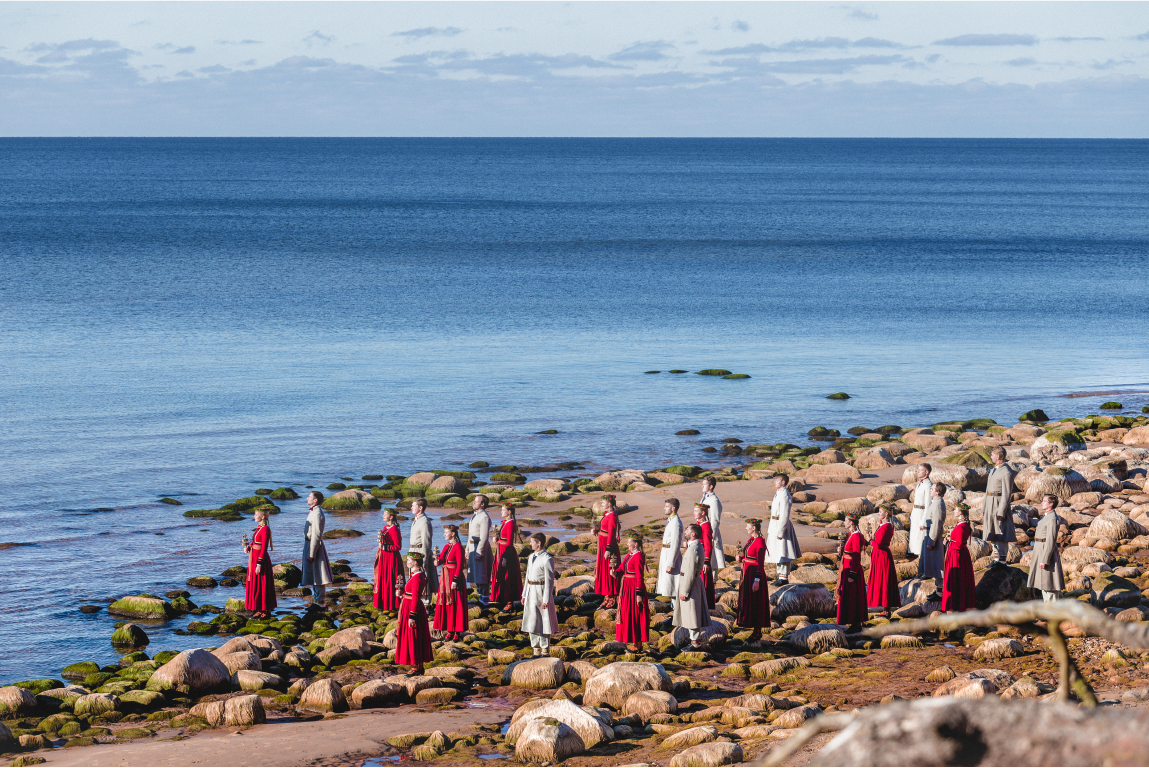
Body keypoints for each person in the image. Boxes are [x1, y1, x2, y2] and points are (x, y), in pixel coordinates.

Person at [673, 523, 712, 648]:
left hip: (691, 583)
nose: (685, 532)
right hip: (692, 581)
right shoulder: (694, 546)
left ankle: (695, 642)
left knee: (693, 612)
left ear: (693, 534)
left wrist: (684, 591)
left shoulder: (694, 549)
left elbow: (690, 572)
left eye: (687, 531)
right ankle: (693, 640)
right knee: (691, 611)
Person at [521, 532, 558, 656]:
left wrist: (546, 600)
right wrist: (524, 594)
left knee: (543, 620)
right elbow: (527, 577)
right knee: (532, 620)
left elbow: (549, 581)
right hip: (530, 590)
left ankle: (545, 649)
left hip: (541, 591)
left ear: (539, 543)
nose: (530, 544)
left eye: (532, 542)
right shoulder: (531, 557)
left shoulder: (547, 559)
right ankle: (535, 649)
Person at [395, 552, 432, 675]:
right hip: (409, 606)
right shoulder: (416, 575)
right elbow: (411, 593)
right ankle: (418, 665)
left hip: (412, 608)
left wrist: (412, 616)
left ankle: (415, 666)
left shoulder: (417, 578)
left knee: (413, 637)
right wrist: (401, 594)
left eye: (409, 560)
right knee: (415, 636)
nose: (407, 562)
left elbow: (415, 597)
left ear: (415, 563)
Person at [615, 532, 650, 653]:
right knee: (628, 613)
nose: (627, 544)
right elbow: (621, 568)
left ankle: (638, 643)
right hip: (626, 588)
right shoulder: (629, 555)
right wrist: (615, 572)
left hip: (633, 588)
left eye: (629, 542)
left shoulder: (638, 556)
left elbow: (640, 576)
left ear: (636, 544)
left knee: (636, 614)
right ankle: (632, 640)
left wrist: (639, 595)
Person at [736, 518, 770, 642]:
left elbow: (760, 563)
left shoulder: (760, 542)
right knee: (750, 600)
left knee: (756, 602)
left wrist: (757, 580)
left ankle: (757, 631)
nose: (746, 528)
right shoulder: (751, 540)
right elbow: (748, 556)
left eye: (748, 526)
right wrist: (741, 559)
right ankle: (754, 629)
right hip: (747, 573)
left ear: (754, 528)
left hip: (754, 574)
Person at [983, 447, 1017, 567]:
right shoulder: (994, 470)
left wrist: (1001, 512)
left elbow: (1007, 494)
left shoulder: (1006, 472)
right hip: (990, 504)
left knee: (1000, 532)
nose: (991, 457)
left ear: (998, 457)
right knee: (992, 531)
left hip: (998, 505)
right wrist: (984, 508)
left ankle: (1002, 561)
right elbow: (987, 490)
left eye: (992, 455)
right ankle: (996, 558)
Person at [1028, 494, 1065, 602]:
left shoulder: (1052, 518)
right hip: (1039, 549)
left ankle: (1052, 610)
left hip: (1046, 552)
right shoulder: (1046, 516)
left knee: (1049, 583)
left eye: (1044, 501)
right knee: (1044, 583)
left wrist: (1045, 559)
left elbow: (1051, 540)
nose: (1042, 503)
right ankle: (1047, 608)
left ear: (1051, 504)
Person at [434, 524, 468, 640]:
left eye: (446, 532)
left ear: (453, 534)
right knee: (446, 602)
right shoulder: (446, 546)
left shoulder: (458, 547)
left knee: (456, 603)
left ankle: (457, 631)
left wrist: (455, 580)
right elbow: (442, 559)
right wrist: (437, 562)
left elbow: (460, 566)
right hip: (445, 577)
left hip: (454, 578)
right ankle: (449, 629)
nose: (444, 534)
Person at [765, 475, 801, 586]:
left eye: (777, 480)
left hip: (781, 525)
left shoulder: (785, 495)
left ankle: (784, 578)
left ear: (783, 482)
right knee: (778, 551)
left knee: (783, 551)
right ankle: (780, 576)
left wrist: (780, 531)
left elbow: (785, 515)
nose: (774, 482)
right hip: (775, 523)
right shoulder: (779, 493)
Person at [866, 504, 901, 617]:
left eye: (880, 512)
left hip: (882, 556)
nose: (878, 513)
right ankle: (885, 608)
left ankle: (886, 609)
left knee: (884, 580)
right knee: (882, 579)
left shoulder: (886, 527)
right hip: (880, 555)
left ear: (886, 514)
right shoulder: (884, 525)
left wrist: (870, 541)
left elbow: (878, 544)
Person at [835, 513, 867, 633]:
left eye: (846, 521)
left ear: (851, 522)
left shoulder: (856, 536)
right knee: (848, 595)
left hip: (852, 570)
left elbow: (857, 556)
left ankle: (856, 623)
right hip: (847, 567)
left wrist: (852, 574)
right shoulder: (851, 534)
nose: (844, 523)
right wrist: (842, 550)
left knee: (853, 596)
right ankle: (852, 622)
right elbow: (849, 551)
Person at [301, 491, 334, 606]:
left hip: (314, 545)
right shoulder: (314, 511)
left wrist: (312, 554)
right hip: (309, 544)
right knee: (314, 573)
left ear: (315, 500)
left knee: (318, 574)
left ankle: (320, 602)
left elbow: (316, 535)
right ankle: (318, 600)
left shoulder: (317, 513)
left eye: (309, 497)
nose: (307, 498)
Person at [941, 503, 976, 612]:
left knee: (956, 580)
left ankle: (955, 605)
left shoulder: (961, 527)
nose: (954, 511)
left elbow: (958, 545)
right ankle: (960, 604)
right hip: (961, 555)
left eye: (955, 510)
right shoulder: (963, 525)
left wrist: (947, 543)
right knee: (961, 579)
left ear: (960, 512)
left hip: (956, 556)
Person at [243, 508, 276, 617]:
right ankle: (259, 608)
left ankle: (265, 610)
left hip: (260, 560)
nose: (254, 516)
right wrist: (249, 547)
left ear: (262, 517)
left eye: (256, 514)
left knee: (262, 583)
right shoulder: (259, 528)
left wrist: (259, 563)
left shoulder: (265, 529)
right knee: (256, 583)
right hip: (253, 558)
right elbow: (256, 541)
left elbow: (264, 547)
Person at [490, 502, 523, 610]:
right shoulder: (506, 522)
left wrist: (505, 557)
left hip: (506, 552)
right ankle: (503, 598)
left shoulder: (510, 524)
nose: (501, 512)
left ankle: (510, 602)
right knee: (502, 575)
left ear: (509, 512)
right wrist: (497, 539)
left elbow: (509, 542)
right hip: (502, 551)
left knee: (508, 576)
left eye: (503, 510)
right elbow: (504, 538)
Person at [919, 482, 947, 603]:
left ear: (938, 492)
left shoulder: (938, 504)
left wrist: (931, 541)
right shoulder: (935, 502)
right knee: (933, 565)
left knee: (937, 565)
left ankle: (940, 593)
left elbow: (936, 524)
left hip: (934, 538)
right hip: (930, 535)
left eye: (932, 489)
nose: (930, 490)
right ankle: (937, 591)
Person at [407, 498, 438, 605]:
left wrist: (423, 560)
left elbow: (426, 542)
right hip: (413, 551)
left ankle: (425, 604)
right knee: (414, 578)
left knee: (423, 579)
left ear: (420, 508)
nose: (411, 507)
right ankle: (416, 602)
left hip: (420, 552)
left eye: (413, 505)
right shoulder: (417, 519)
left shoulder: (424, 521)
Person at [465, 495, 494, 604]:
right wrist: (467, 549)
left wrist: (479, 551)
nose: (473, 502)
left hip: (479, 548)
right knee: (476, 574)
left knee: (482, 574)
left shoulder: (484, 517)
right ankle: (480, 597)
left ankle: (484, 600)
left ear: (482, 504)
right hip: (472, 547)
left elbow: (484, 537)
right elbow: (470, 535)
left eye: (476, 501)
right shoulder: (475, 515)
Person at [372, 508, 403, 612]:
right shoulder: (385, 527)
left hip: (391, 559)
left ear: (391, 517)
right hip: (384, 557)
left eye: (385, 514)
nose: (383, 516)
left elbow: (398, 546)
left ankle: (391, 605)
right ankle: (383, 604)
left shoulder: (394, 529)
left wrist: (385, 547)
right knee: (383, 578)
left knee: (390, 579)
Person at [594, 495, 622, 608]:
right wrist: (596, 530)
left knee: (610, 568)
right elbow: (604, 528)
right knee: (604, 569)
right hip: (602, 545)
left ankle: (612, 596)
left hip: (608, 546)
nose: (601, 504)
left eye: (603, 503)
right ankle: (607, 595)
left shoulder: (612, 516)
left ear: (609, 504)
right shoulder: (607, 514)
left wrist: (608, 549)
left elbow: (611, 532)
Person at [657, 498, 684, 598]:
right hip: (666, 552)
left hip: (670, 554)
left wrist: (670, 563)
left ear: (673, 508)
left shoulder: (676, 523)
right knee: (667, 584)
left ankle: (675, 605)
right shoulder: (671, 521)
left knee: (672, 584)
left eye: (667, 506)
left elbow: (676, 544)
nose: (664, 508)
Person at [908, 463, 933, 559]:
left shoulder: (928, 485)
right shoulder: (919, 484)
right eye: (917, 470)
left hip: (922, 514)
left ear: (926, 472)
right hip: (916, 513)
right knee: (915, 540)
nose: (917, 472)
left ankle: (922, 563)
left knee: (920, 540)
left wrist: (923, 521)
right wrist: (911, 518)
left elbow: (928, 505)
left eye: (920, 470)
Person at [701, 477, 726, 569]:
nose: (702, 486)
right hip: (703, 531)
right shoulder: (704, 498)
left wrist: (712, 537)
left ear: (711, 486)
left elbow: (715, 520)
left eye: (704, 484)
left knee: (713, 561)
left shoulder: (714, 501)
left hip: (710, 532)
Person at [695, 502, 716, 608]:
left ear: (703, 513)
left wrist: (706, 561)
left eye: (696, 511)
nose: (694, 513)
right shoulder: (698, 524)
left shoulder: (706, 526)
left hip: (702, 557)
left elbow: (708, 544)